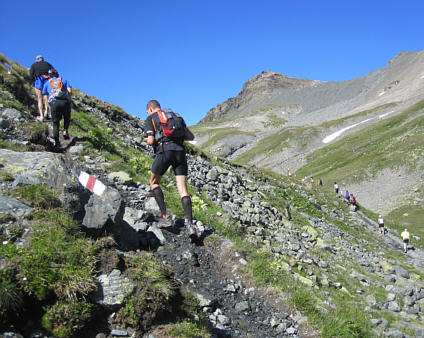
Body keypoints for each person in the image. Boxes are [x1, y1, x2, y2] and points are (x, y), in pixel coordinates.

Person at [143, 100, 199, 242]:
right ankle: (190, 225)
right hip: (180, 152)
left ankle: (165, 216)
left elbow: (150, 141)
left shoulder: (151, 118)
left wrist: (148, 139)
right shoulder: (176, 116)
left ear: (150, 109)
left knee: (154, 182)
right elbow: (191, 137)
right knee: (183, 189)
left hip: (164, 150)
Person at [42, 69, 72, 149]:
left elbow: (45, 97)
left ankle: (57, 142)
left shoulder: (47, 83)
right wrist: (69, 99)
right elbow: (69, 91)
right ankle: (65, 130)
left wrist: (47, 107)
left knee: (55, 123)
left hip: (54, 103)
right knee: (67, 117)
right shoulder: (64, 80)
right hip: (64, 102)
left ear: (50, 76)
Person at [29, 55, 54, 121]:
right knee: (46, 97)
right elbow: (54, 71)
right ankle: (46, 111)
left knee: (39, 98)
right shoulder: (47, 64)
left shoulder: (34, 65)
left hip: (38, 80)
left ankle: (42, 116)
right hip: (47, 80)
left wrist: (32, 82)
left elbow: (31, 75)